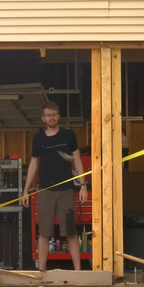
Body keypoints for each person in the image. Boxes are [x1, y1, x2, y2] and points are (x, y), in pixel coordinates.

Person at [22, 103, 88, 271]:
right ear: (43, 119)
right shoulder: (38, 139)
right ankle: (42, 272)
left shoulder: (69, 135)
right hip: (45, 191)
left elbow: (77, 161)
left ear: (58, 117)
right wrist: (25, 190)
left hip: (66, 190)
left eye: (54, 114)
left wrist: (83, 185)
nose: (51, 118)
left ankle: (78, 272)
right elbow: (33, 164)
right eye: (48, 115)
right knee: (44, 232)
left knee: (71, 232)